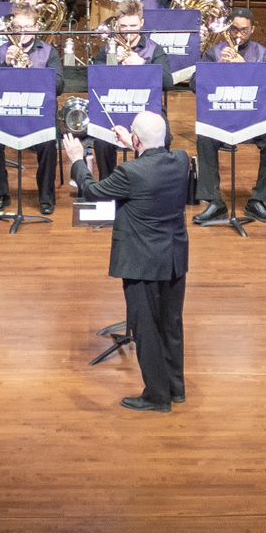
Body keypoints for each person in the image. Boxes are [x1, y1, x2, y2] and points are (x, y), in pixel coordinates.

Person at [63, 111, 190, 412]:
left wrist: (78, 161)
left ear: (136, 139)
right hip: (173, 259)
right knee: (171, 325)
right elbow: (158, 150)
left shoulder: (130, 174)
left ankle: (157, 397)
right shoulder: (182, 159)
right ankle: (176, 388)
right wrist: (134, 142)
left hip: (142, 262)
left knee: (145, 328)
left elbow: (92, 191)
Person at [192, 7, 266, 227]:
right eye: (234, 29)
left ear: (252, 30)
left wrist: (246, 69)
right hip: (222, 111)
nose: (238, 35)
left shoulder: (264, 54)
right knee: (205, 136)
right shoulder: (214, 53)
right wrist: (218, 68)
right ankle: (214, 201)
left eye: (244, 30)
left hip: (254, 113)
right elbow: (195, 84)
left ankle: (260, 199)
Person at [0, 4, 65, 216]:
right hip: (8, 113)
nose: (22, 32)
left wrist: (32, 69)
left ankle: (46, 197)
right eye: (18, 27)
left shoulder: (48, 52)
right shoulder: (1, 52)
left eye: (27, 27)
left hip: (37, 114)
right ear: (11, 28)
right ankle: (1, 194)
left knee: (49, 143)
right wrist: (5, 66)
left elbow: (58, 86)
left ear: (37, 28)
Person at [91, 0, 174, 179]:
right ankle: (108, 186)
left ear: (142, 23)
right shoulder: (108, 50)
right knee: (101, 141)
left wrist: (143, 64)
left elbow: (168, 82)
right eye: (123, 26)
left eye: (133, 25)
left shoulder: (154, 49)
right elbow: (93, 80)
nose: (128, 30)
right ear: (117, 25)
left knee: (163, 138)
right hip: (115, 108)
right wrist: (111, 62)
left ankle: (152, 183)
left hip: (147, 109)